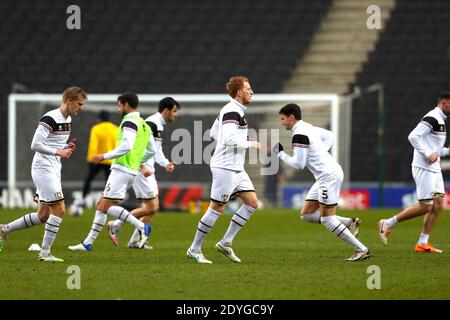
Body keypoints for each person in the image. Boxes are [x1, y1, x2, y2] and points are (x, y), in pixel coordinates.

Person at [0, 86, 87, 262]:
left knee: (43, 215)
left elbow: (53, 142)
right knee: (60, 210)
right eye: (79, 104)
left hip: (54, 168)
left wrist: (65, 147)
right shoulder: (50, 117)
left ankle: (4, 229)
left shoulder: (68, 118)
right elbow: (35, 144)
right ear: (69, 100)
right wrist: (58, 152)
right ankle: (45, 253)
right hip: (43, 168)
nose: (81, 108)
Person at [274, 103, 371, 261]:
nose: (282, 122)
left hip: (328, 176)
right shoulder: (308, 127)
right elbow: (330, 136)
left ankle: (362, 249)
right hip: (325, 175)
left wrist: (280, 154)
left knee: (327, 219)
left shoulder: (299, 135)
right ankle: (350, 222)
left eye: (283, 119)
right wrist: (319, 153)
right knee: (306, 214)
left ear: (291, 117)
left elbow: (298, 164)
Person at [186, 76, 262, 264]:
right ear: (239, 92)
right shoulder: (231, 111)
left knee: (252, 203)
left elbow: (214, 133)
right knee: (217, 208)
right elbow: (227, 139)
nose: (251, 92)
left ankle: (226, 242)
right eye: (248, 89)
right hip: (225, 167)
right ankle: (194, 249)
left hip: (236, 167)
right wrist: (249, 143)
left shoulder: (231, 110)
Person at [68, 92, 156, 252]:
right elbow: (152, 149)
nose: (118, 108)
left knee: (105, 207)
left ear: (126, 104)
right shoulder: (144, 124)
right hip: (129, 170)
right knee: (102, 205)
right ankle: (88, 243)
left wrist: (104, 155)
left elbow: (127, 145)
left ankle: (141, 226)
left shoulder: (129, 121)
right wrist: (139, 162)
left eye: (120, 105)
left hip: (121, 169)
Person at [378, 91, 450, 253]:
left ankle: (423, 243)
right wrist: (427, 154)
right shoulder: (432, 117)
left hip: (434, 167)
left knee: (438, 204)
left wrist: (446, 151)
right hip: (423, 166)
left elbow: (434, 148)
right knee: (425, 206)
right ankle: (388, 223)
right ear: (444, 103)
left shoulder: (441, 121)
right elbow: (413, 136)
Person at [107, 97, 180, 249]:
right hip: (143, 169)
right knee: (151, 207)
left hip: (147, 168)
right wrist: (141, 166)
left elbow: (155, 150)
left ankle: (135, 241)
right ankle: (116, 224)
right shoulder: (151, 124)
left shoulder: (158, 124)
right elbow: (136, 146)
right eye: (174, 112)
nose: (175, 115)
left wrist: (165, 163)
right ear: (166, 110)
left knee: (153, 208)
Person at [72, 110, 118, 209]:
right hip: (110, 159)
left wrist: (91, 159)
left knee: (89, 178)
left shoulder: (96, 128)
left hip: (97, 159)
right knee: (109, 182)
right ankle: (109, 202)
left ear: (100, 118)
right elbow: (117, 146)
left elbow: (93, 145)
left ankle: (82, 199)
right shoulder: (115, 128)